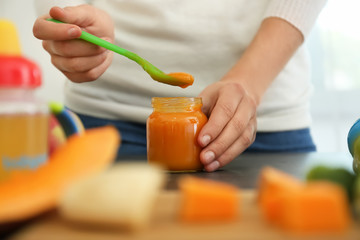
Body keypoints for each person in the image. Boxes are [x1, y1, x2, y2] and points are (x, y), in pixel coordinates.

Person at [33, 0, 327, 172]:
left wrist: (249, 82)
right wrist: (73, 22)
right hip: (106, 123)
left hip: (266, 124)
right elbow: (60, 15)